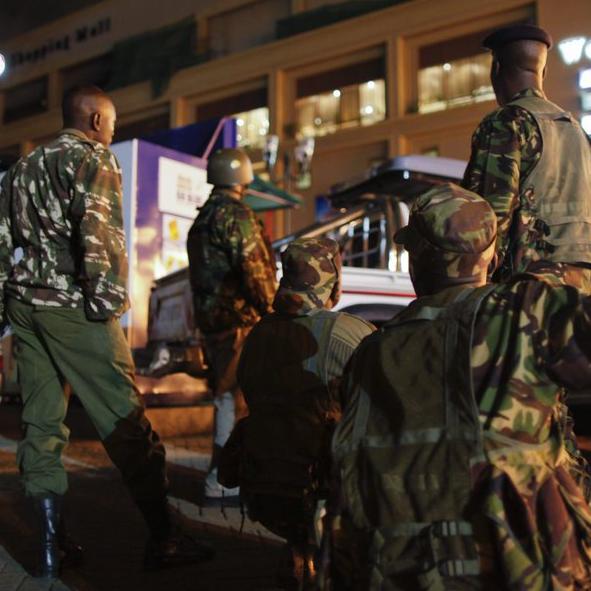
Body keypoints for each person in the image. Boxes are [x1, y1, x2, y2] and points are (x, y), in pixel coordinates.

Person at [0, 85, 214, 578]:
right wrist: (106, 306)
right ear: (96, 119)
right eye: (113, 123)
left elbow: (1, 242)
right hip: (75, 306)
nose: (114, 131)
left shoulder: (22, 169)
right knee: (124, 418)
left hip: (27, 307)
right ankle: (164, 537)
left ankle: (51, 547)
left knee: (42, 425)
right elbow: (100, 236)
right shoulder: (93, 157)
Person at [331, 184, 591, 590]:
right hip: (515, 570)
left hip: (403, 572)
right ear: (491, 254)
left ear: (416, 260)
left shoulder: (370, 352)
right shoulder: (524, 311)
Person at [219, 237, 374, 589]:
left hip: (261, 485)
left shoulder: (257, 335)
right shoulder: (350, 334)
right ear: (333, 281)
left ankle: (299, 550)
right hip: (318, 489)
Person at [462, 23, 591, 289]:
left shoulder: (506, 121)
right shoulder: (576, 129)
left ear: (496, 68)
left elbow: (488, 220)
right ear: (544, 70)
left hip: (530, 292)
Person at [186, 147, 277, 499]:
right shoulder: (234, 215)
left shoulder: (203, 219)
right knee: (235, 399)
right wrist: (274, 310)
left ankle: (226, 478)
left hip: (214, 324)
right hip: (240, 322)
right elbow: (254, 271)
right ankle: (221, 480)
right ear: (242, 178)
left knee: (227, 397)